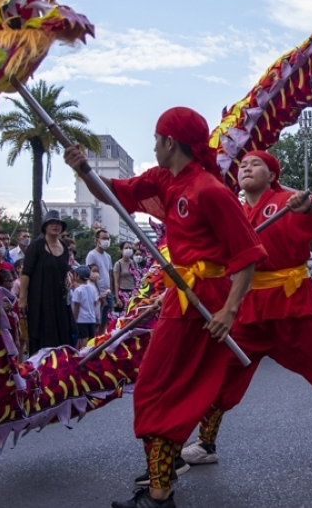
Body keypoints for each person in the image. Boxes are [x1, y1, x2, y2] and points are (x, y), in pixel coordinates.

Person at [65, 106, 267, 508]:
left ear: (169, 142)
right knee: (157, 389)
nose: (153, 146)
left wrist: (228, 312)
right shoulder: (162, 180)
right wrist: (84, 170)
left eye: (156, 140)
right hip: (179, 296)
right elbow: (117, 193)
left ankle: (160, 494)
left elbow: (248, 255)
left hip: (204, 303)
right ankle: (162, 484)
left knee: (157, 390)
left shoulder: (210, 190)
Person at [180, 151, 312, 480]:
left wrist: (311, 207)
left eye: (256, 165)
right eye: (243, 166)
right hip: (248, 307)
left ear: (272, 176)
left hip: (293, 305)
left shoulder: (289, 202)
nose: (247, 169)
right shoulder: (232, 210)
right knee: (221, 376)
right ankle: (206, 444)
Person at [18, 210, 75, 353]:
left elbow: (65, 267)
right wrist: (22, 298)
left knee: (63, 334)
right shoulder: (36, 246)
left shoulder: (64, 246)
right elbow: (26, 273)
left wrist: (67, 275)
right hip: (40, 299)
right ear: (45, 226)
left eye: (58, 223)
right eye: (52, 223)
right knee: (43, 335)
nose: (55, 226)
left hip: (60, 300)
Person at [86, 229, 114, 329]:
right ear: (97, 240)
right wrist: (99, 294)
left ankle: (103, 342)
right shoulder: (92, 255)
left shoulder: (108, 256)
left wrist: (111, 291)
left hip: (108, 292)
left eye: (108, 238)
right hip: (98, 294)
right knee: (97, 322)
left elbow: (110, 274)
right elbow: (91, 276)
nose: (106, 240)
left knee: (106, 322)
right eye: (103, 238)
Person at [70, 265, 99, 350]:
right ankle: (91, 355)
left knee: (84, 339)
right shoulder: (92, 289)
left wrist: (74, 319)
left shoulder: (78, 290)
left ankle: (84, 356)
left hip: (81, 319)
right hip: (91, 318)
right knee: (91, 339)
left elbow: (76, 306)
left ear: (78, 276)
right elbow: (95, 302)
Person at [113, 244, 138, 311]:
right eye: (126, 248)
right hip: (123, 293)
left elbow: (136, 279)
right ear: (121, 250)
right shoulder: (118, 264)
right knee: (124, 314)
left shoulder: (134, 263)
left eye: (130, 248)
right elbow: (116, 282)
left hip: (133, 292)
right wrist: (117, 298)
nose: (128, 250)